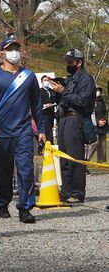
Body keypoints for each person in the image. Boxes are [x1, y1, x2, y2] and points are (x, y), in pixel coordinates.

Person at [0, 36, 45, 224]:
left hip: (24, 131)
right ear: (2, 52)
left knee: (26, 171)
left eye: (17, 48)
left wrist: (41, 129)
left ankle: (25, 208)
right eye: (10, 48)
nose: (14, 51)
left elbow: (37, 105)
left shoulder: (29, 76)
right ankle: (2, 203)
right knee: (2, 171)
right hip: (1, 133)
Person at [48, 48, 96, 204]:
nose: (68, 64)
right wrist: (56, 90)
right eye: (67, 62)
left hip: (76, 119)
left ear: (79, 62)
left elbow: (83, 101)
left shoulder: (86, 79)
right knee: (64, 157)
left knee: (75, 157)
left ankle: (77, 192)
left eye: (71, 62)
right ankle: (66, 191)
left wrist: (64, 92)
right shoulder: (71, 78)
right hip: (63, 119)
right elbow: (64, 98)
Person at [86, 86, 107, 163]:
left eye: (99, 90)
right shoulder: (90, 100)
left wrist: (104, 120)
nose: (98, 92)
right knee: (94, 143)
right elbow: (91, 113)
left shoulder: (101, 101)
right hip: (94, 125)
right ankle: (87, 158)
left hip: (103, 125)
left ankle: (101, 160)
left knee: (102, 143)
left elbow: (105, 111)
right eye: (96, 90)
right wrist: (98, 121)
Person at [40, 75, 56, 143]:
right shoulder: (39, 91)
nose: (46, 82)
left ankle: (50, 144)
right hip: (44, 113)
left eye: (47, 80)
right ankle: (46, 144)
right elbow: (36, 103)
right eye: (45, 81)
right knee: (47, 130)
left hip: (51, 113)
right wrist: (44, 105)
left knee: (50, 129)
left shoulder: (51, 91)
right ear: (42, 82)